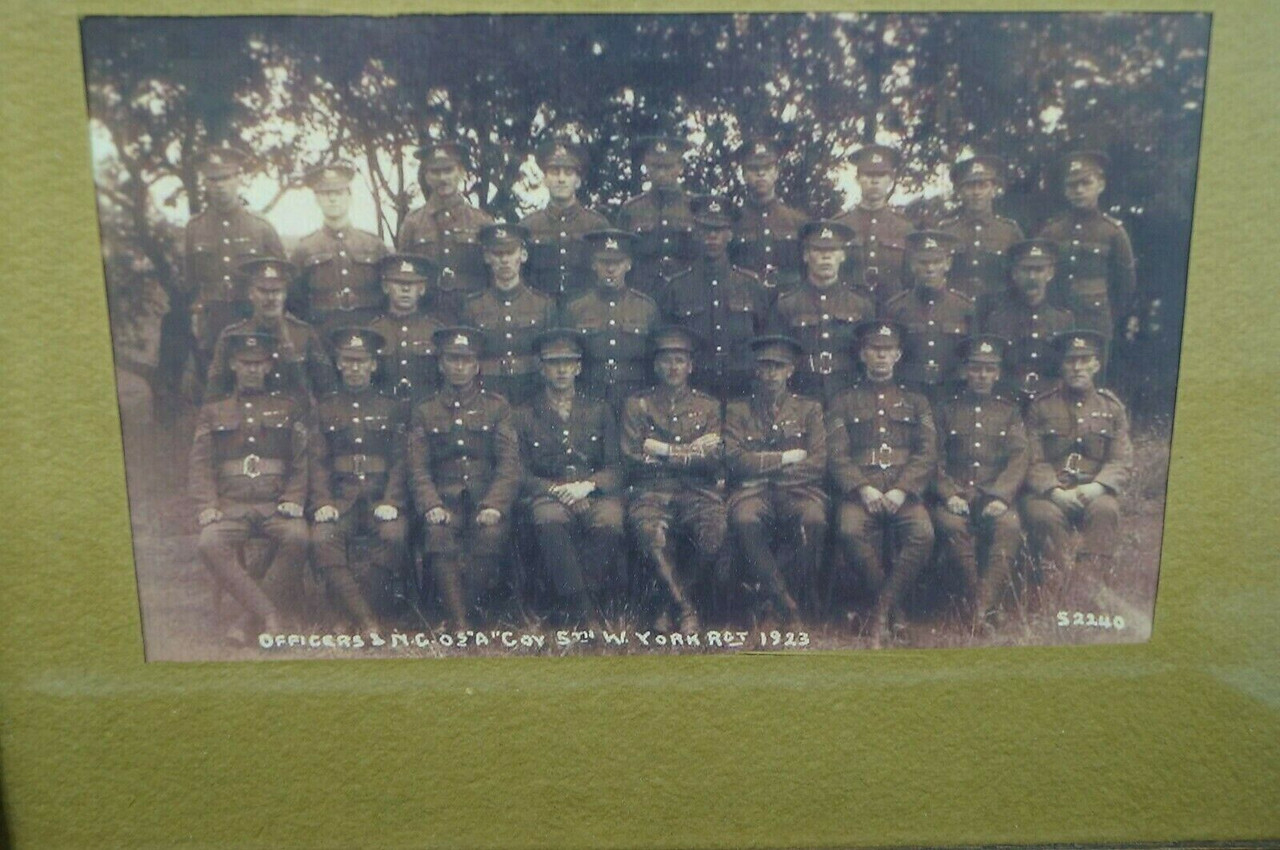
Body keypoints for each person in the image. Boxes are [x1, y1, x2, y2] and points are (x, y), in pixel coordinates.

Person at [189, 331, 309, 641]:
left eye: (259, 364)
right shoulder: (213, 411)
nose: (252, 369)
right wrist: (208, 506)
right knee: (208, 543)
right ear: (233, 365)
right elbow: (200, 465)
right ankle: (268, 614)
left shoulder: (288, 407)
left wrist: (294, 497)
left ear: (269, 366)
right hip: (231, 506)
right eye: (245, 363)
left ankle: (246, 621)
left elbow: (301, 461)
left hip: (274, 506)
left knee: (298, 536)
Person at [826, 320, 937, 647]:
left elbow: (927, 451)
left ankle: (881, 611)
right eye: (875, 350)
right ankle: (894, 612)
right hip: (863, 492)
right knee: (849, 530)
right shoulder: (843, 401)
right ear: (863, 355)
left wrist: (903, 488)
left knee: (923, 534)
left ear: (898, 355)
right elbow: (836, 454)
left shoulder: (917, 402)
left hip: (904, 492)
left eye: (887, 351)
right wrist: (863, 488)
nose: (881, 357)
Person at [407, 327, 521, 628]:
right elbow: (418, 467)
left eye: (466, 360)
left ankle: (461, 615)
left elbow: (508, 464)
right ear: (441, 364)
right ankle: (461, 623)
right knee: (437, 535)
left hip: (485, 498)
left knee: (491, 535)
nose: (459, 367)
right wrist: (431, 504)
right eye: (452, 359)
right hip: (444, 500)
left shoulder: (497, 407)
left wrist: (494, 505)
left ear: (477, 365)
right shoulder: (424, 410)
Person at [514, 329, 624, 623]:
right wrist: (554, 490)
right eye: (553, 363)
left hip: (592, 492)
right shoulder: (524, 413)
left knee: (610, 521)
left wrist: (587, 486)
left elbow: (615, 467)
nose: (561, 370)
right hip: (548, 494)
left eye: (568, 362)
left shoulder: (598, 410)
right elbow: (518, 470)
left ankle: (574, 601)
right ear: (541, 368)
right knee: (550, 520)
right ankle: (585, 613)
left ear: (579, 367)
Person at [621, 326, 727, 632]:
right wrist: (691, 451)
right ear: (656, 366)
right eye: (666, 361)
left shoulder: (707, 406)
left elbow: (714, 458)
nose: (673, 367)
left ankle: (670, 604)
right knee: (649, 532)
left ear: (690, 366)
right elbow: (632, 457)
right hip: (651, 490)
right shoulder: (637, 404)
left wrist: (662, 450)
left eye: (679, 361)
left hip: (698, 491)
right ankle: (685, 607)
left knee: (714, 531)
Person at [1021, 330, 1133, 609]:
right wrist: (1055, 491)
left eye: (1085, 360)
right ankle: (1057, 588)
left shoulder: (1112, 407)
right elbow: (1032, 459)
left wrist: (1096, 487)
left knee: (1106, 510)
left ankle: (1088, 590)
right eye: (1071, 361)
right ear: (1061, 365)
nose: (1077, 367)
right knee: (1042, 516)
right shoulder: (1040, 406)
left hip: (1093, 489)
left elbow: (1120, 460)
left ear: (1097, 364)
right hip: (1050, 492)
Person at [309, 328, 409, 629]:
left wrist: (392, 501)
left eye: (361, 361)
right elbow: (317, 463)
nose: (354, 368)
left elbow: (401, 461)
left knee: (393, 536)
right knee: (324, 537)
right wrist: (324, 502)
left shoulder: (391, 407)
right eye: (348, 361)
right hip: (342, 500)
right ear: (338, 364)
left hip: (380, 497)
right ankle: (365, 618)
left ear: (373, 365)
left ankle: (353, 612)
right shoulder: (325, 408)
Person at [723, 335, 827, 621]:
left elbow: (818, 462)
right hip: (752, 496)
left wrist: (770, 478)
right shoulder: (738, 409)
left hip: (797, 492)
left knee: (814, 520)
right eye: (765, 367)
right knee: (745, 520)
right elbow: (734, 459)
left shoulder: (809, 409)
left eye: (778, 367)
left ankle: (775, 595)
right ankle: (786, 603)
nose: (770, 374)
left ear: (790, 371)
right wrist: (784, 459)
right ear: (756, 370)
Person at [930, 335, 1029, 629]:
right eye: (976, 368)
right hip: (955, 494)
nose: (982, 376)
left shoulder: (1008, 410)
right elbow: (932, 459)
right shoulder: (946, 409)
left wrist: (1000, 497)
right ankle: (980, 603)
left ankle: (980, 607)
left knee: (1009, 526)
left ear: (998, 373)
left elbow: (1019, 458)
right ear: (965, 371)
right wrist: (948, 494)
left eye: (989, 369)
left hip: (992, 495)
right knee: (950, 526)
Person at [175, 144, 284, 401]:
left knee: (262, 396)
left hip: (254, 324)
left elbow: (282, 283)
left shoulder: (261, 228)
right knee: (216, 399)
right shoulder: (195, 229)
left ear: (238, 179)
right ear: (205, 183)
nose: (220, 186)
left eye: (225, 178)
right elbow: (190, 285)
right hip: (212, 329)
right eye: (213, 180)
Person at [661, 195, 770, 401]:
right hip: (694, 389)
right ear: (696, 234)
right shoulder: (677, 287)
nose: (712, 236)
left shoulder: (751, 285)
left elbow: (763, 339)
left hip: (742, 390)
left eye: (718, 230)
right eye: (706, 230)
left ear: (729, 234)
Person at [1037, 151, 1137, 374]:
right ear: (1065, 191)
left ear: (1100, 185)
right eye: (1072, 185)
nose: (1079, 190)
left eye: (1085, 183)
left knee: (1091, 384)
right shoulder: (1052, 231)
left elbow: (1125, 286)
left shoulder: (1113, 232)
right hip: (1056, 320)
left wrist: (1107, 315)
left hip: (1095, 322)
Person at [771, 220, 876, 401]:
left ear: (842, 256)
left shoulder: (861, 305)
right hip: (802, 394)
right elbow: (778, 357)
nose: (825, 257)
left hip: (848, 394)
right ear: (806, 255)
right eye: (818, 251)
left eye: (832, 251)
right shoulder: (787, 304)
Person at [207, 258, 334, 405]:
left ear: (285, 294)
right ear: (251, 293)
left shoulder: (304, 334)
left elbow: (326, 387)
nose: (271, 298)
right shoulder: (232, 336)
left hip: (295, 421)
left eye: (276, 291)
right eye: (263, 291)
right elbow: (215, 392)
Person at [562, 229, 661, 411]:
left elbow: (655, 361)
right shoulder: (576, 308)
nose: (611, 269)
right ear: (594, 264)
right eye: (604, 262)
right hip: (590, 396)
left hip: (635, 397)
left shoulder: (646, 307)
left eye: (617, 262)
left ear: (628, 264)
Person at [397, 141, 495, 324]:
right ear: (426, 176)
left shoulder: (481, 222)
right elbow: (403, 276)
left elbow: (492, 277)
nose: (442, 178)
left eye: (448, 170)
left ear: (461, 173)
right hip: (426, 317)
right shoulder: (413, 223)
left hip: (472, 316)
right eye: (435, 172)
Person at [462, 223, 557, 406]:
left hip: (532, 395)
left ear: (523, 255)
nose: (504, 260)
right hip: (487, 395)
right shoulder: (473, 306)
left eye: (510, 252)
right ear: (487, 258)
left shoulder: (543, 304)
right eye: (498, 254)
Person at [289, 161, 389, 333]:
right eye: (325, 193)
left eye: (339, 192)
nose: (333, 199)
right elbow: (294, 302)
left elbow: (388, 297)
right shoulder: (305, 249)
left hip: (367, 338)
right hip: (322, 338)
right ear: (317, 199)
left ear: (350, 197)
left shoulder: (374, 245)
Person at [979, 239, 1075, 405]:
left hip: (1052, 401)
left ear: (1050, 273)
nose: (1032, 277)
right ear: (1015, 273)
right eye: (1025, 270)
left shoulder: (1063, 320)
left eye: (1038, 270)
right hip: (1008, 401)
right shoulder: (997, 319)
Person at [883, 230, 975, 401]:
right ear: (912, 265)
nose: (930, 269)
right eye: (923, 262)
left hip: (951, 393)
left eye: (936, 262)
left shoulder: (964, 307)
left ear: (947, 264)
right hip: (908, 392)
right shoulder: (896, 308)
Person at [521, 139, 610, 307]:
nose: (561, 179)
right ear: (545, 179)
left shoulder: (597, 225)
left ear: (578, 181)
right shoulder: (528, 226)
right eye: (554, 172)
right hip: (541, 315)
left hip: (585, 313)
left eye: (568, 172)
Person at [615, 135, 696, 298]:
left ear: (680, 167)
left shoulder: (695, 208)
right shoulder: (631, 210)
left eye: (667, 167)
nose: (661, 173)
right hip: (642, 296)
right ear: (646, 167)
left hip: (687, 297)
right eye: (656, 167)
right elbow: (620, 258)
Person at [834, 144, 914, 308]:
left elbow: (911, 279)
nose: (874, 180)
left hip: (892, 311)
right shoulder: (840, 225)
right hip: (848, 310)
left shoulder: (905, 228)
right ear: (858, 179)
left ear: (890, 181)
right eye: (868, 174)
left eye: (881, 175)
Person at [938, 155, 1024, 305]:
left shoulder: (1009, 231)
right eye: (970, 186)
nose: (976, 192)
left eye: (983, 185)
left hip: (998, 312)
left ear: (994, 189)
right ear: (960, 191)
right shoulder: (946, 231)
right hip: (957, 312)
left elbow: (1021, 275)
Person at [369, 254, 446, 406]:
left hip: (425, 412)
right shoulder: (373, 331)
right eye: (398, 282)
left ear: (422, 288)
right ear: (385, 287)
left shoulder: (436, 331)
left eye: (412, 284)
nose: (405, 289)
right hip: (384, 413)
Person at [730, 137, 808, 284]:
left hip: (786, 302)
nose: (761, 174)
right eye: (753, 169)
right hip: (748, 301)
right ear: (744, 175)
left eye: (767, 168)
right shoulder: (734, 221)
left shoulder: (797, 221)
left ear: (776, 172)